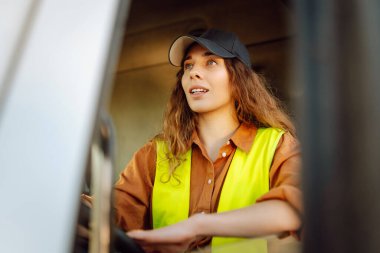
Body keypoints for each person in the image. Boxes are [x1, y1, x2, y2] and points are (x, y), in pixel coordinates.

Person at [113, 29, 302, 253]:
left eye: (211, 62)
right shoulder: (155, 154)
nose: (194, 73)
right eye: (188, 66)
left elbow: (293, 209)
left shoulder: (277, 145)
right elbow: (111, 209)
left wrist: (197, 226)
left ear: (238, 78)